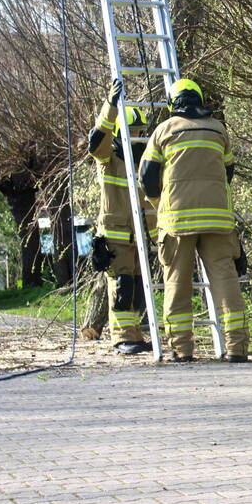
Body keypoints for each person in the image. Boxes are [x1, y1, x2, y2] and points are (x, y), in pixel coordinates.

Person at [138, 78, 249, 362]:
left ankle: (182, 350)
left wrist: (160, 204)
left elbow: (147, 177)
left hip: (176, 221)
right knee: (225, 281)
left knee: (177, 283)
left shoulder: (164, 130)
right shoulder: (218, 129)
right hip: (218, 220)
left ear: (172, 103)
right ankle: (237, 348)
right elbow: (228, 172)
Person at [87, 78, 156, 356]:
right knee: (122, 286)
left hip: (141, 233)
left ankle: (135, 335)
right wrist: (110, 107)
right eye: (133, 131)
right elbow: (96, 141)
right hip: (116, 235)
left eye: (141, 131)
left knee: (139, 288)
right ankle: (122, 338)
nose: (138, 135)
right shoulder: (109, 160)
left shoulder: (145, 161)